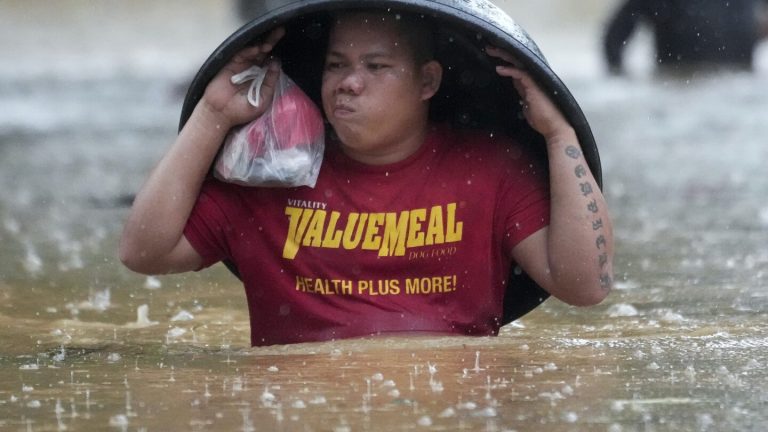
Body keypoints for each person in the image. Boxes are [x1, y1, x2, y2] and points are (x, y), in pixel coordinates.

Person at [120, 9, 613, 346]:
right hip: (301, 407)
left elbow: (586, 285)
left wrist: (557, 130)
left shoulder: (490, 169)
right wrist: (212, 113)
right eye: (337, 65)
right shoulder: (271, 177)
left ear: (428, 82)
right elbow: (143, 251)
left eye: (375, 66)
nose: (348, 82)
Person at [604, 0, 768, 74]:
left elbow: (613, 39)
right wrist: (620, 77)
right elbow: (614, 39)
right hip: (677, 90)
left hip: (740, 91)